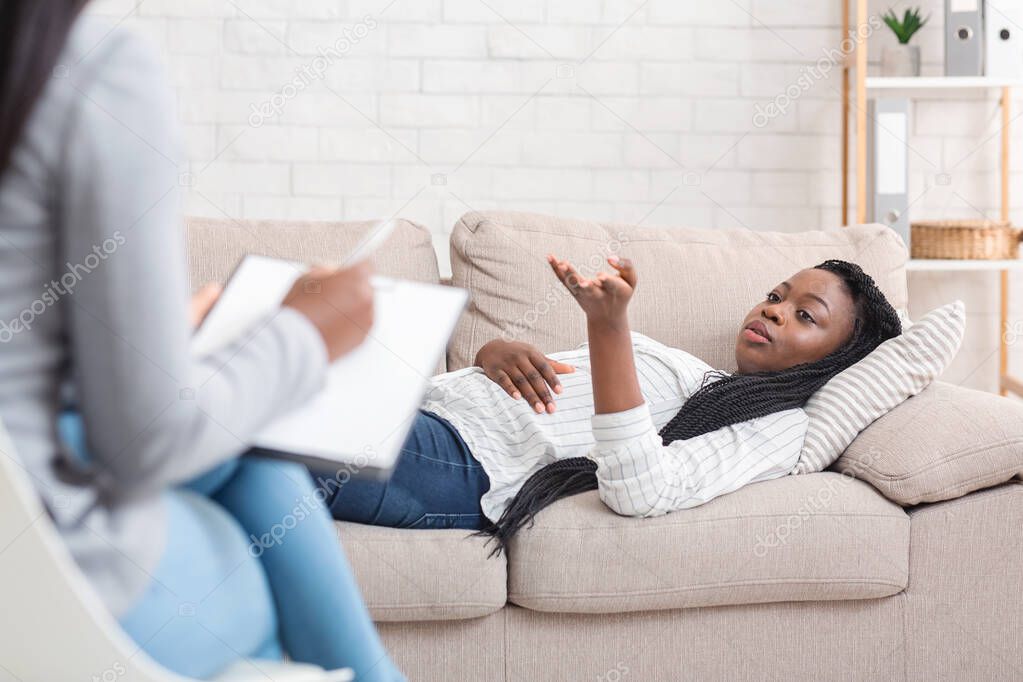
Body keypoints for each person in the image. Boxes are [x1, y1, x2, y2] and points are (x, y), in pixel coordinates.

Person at [0, 2, 403, 679]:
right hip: (34, 584)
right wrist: (307, 332)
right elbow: (145, 441)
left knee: (252, 456)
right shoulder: (87, 69)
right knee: (255, 545)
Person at [327, 255, 902, 555]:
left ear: (838, 358)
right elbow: (546, 394)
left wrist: (608, 328)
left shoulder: (780, 428)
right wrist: (488, 356)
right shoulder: (679, 365)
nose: (775, 309)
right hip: (428, 413)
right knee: (256, 437)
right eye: (777, 296)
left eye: (806, 315)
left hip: (463, 462)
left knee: (264, 434)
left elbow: (642, 491)